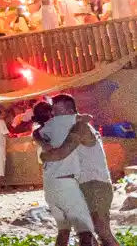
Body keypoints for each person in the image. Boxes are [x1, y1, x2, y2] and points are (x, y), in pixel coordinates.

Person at [40, 96, 116, 246]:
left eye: (57, 112)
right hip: (83, 184)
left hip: (95, 184)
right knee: (88, 234)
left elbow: (60, 154)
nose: (54, 117)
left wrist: (44, 154)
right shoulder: (70, 127)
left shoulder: (80, 128)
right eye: (53, 113)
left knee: (102, 233)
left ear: (70, 112)